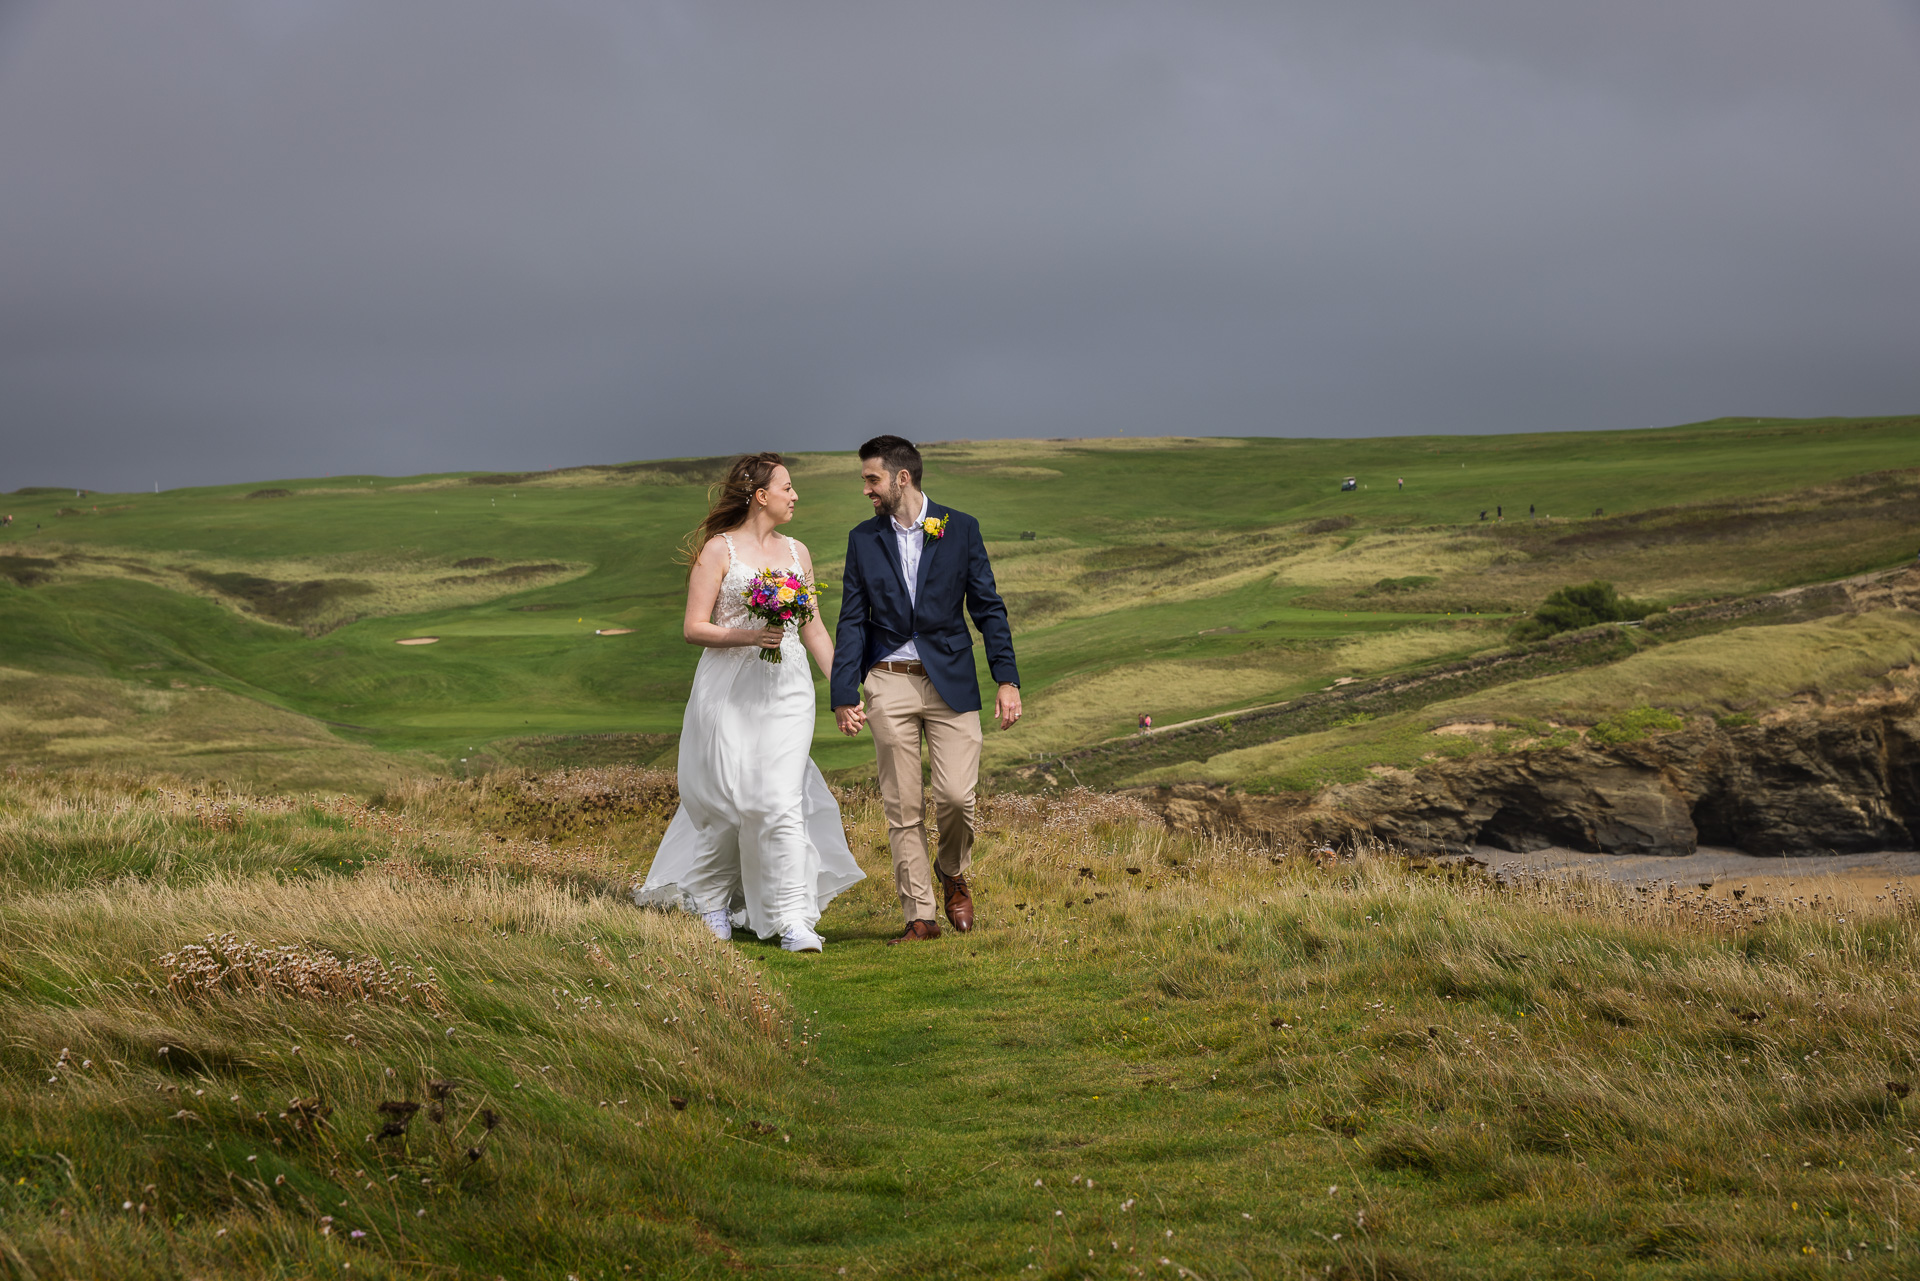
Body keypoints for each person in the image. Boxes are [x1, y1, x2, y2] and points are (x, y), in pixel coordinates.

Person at [633, 453, 864, 953]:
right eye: (787, 487)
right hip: (728, 689)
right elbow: (694, 628)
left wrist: (843, 691)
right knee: (729, 803)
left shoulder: (798, 552)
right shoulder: (718, 552)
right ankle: (713, 902)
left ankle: (792, 916)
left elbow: (816, 629)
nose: (795, 494)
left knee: (778, 800)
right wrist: (748, 635)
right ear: (761, 495)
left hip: (788, 689)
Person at [831, 435, 1020, 945]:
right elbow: (851, 619)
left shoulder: (961, 530)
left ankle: (953, 870)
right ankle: (921, 914)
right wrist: (845, 690)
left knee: (957, 798)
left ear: (902, 478)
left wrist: (1007, 679)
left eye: (872, 479)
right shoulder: (862, 539)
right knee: (903, 805)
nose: (866, 490)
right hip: (888, 682)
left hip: (951, 682)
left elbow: (988, 608)